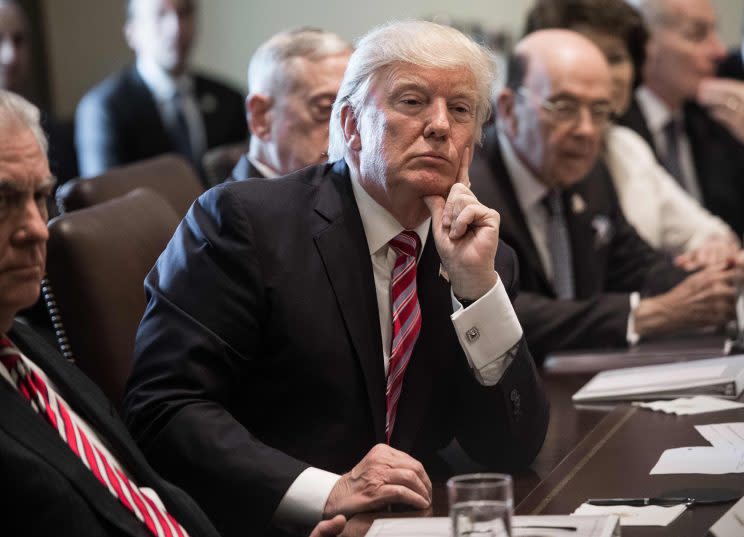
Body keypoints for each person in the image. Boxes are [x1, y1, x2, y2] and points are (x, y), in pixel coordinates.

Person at [124, 20, 549, 537]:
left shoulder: (482, 255)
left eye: (460, 110)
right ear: (350, 125)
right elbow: (164, 409)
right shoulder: (244, 223)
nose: (440, 125)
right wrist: (324, 492)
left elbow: (512, 447)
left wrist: (477, 289)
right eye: (412, 102)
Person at [0, 87, 347, 537]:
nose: (34, 228)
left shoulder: (22, 345)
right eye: (3, 201)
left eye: (38, 197)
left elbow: (141, 496)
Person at [469, 29, 739, 362]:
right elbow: (498, 312)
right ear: (509, 109)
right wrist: (640, 316)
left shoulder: (589, 174)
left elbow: (637, 267)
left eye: (599, 111)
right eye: (564, 107)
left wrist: (718, 278)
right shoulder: (470, 186)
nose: (586, 130)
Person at [524, 0, 738, 268]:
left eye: (615, 58)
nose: (601, 74)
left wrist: (713, 248)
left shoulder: (627, 147)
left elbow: (705, 232)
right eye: (587, 56)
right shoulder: (534, 154)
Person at [75, 0, 246, 184]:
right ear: (132, 33)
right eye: (160, 15)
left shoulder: (229, 100)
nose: (176, 28)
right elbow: (105, 198)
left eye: (184, 13)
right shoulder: (104, 109)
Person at [621, 0, 744, 237]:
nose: (719, 50)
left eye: (714, 32)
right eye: (697, 35)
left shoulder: (720, 116)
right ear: (646, 42)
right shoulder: (616, 124)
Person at [229, 27, 352, 181]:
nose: (348, 129)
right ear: (261, 116)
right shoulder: (226, 204)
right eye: (325, 108)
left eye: (355, 112)